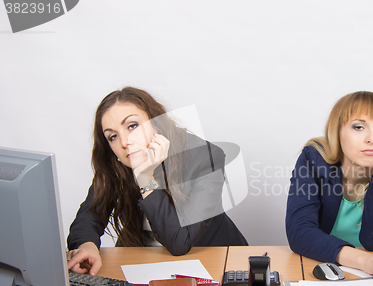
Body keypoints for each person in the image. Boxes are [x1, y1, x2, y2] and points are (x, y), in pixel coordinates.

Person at [67, 87, 247, 275]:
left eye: (132, 126)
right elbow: (88, 217)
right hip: (147, 263)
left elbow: (180, 242)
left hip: (212, 264)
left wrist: (145, 177)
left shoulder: (205, 157)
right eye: (112, 136)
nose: (124, 142)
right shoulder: (118, 164)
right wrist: (87, 247)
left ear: (157, 123)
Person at [286, 91, 373, 279]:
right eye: (358, 127)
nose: (372, 139)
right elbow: (300, 232)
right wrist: (364, 261)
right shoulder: (314, 159)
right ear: (337, 133)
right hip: (339, 270)